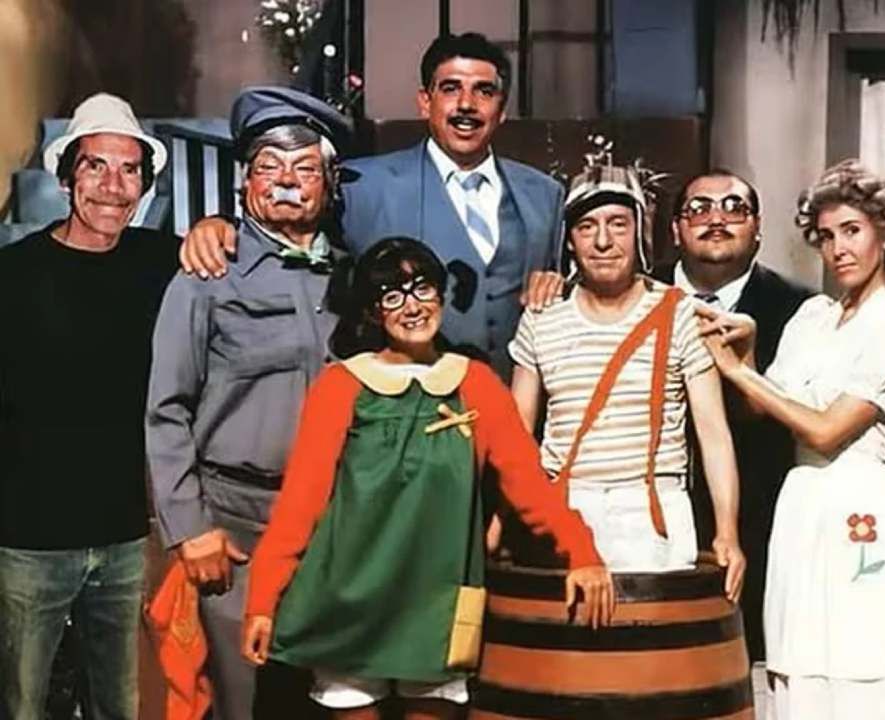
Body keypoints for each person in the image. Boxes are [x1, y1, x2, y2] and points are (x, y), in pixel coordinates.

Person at [242, 237, 613, 720]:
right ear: (373, 312)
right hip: (350, 598)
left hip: (436, 603)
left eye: (422, 288)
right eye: (392, 295)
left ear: (441, 293)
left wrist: (581, 552)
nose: (412, 306)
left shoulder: (476, 383)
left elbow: (529, 486)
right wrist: (262, 600)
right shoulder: (341, 387)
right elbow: (299, 504)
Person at [177, 33, 564, 380]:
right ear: (424, 102)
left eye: (484, 91)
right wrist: (222, 223)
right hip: (401, 412)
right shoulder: (362, 185)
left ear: (502, 109)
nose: (466, 104)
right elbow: (290, 222)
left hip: (515, 412)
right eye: (450, 89)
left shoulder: (543, 195)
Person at [699, 159, 885, 719]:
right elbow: (762, 409)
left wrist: (738, 373)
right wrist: (748, 352)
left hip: (860, 505)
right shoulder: (812, 317)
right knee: (796, 664)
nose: (838, 249)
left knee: (860, 665)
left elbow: (826, 430)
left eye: (852, 230)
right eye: (826, 236)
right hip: (801, 500)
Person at [146, 86, 351, 720]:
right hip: (236, 530)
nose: (286, 181)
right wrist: (189, 529)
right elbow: (166, 409)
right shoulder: (207, 275)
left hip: (333, 528)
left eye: (304, 167)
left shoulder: (353, 277)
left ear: (330, 183)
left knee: (335, 700)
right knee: (245, 703)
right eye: (269, 166)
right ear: (245, 182)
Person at [0, 93, 174, 720]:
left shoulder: (160, 261)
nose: (112, 185)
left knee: (119, 704)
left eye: (129, 170)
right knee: (21, 703)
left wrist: (217, 228)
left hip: (123, 538)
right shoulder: (12, 275)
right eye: (96, 165)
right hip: (28, 540)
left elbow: (228, 254)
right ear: (67, 176)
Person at [507, 160, 746, 598]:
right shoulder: (541, 318)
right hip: (565, 511)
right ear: (569, 240)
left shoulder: (679, 312)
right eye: (586, 227)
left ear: (639, 232)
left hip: (653, 515)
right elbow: (516, 436)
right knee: (564, 641)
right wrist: (502, 523)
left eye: (618, 224)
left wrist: (727, 531)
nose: (603, 241)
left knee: (651, 640)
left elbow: (713, 433)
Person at [654, 169, 813, 665]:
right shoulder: (637, 293)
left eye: (734, 208)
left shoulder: (803, 309)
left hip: (757, 523)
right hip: (645, 520)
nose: (716, 219)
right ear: (675, 229)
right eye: (699, 208)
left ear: (758, 228)